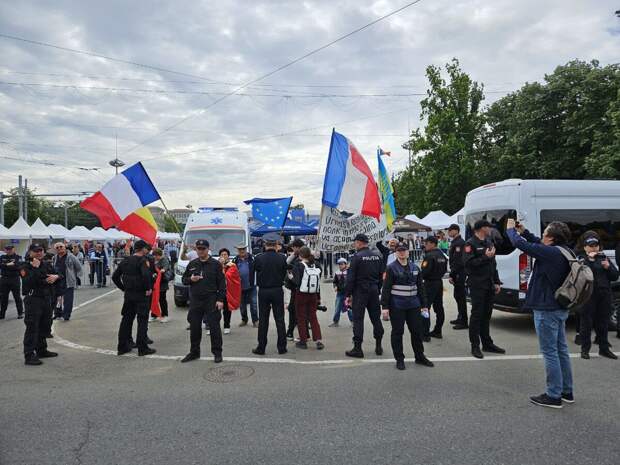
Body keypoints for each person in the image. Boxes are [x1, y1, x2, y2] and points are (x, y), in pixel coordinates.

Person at [506, 219, 575, 408]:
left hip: (546, 309)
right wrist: (524, 231)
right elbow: (536, 242)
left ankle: (553, 395)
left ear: (551, 238)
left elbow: (520, 244)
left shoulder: (550, 253)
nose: (542, 235)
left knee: (550, 352)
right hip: (559, 307)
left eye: (545, 233)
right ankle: (566, 391)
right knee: (561, 351)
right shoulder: (565, 250)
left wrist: (511, 230)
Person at [381, 242, 434, 370]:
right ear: (396, 253)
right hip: (397, 305)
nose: (402, 252)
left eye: (404, 250)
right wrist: (385, 308)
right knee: (398, 332)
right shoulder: (391, 268)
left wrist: (424, 305)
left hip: (414, 305)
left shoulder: (415, 268)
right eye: (399, 250)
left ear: (408, 252)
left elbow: (420, 288)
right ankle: (399, 359)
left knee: (417, 331)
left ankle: (419, 356)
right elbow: (386, 289)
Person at [464, 220, 505, 359]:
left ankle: (487, 343)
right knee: (477, 315)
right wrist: (484, 257)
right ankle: (475, 345)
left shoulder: (489, 242)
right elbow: (469, 264)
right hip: (477, 284)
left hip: (489, 284)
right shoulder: (470, 244)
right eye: (488, 227)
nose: (490, 229)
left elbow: (493, 264)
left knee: (487, 315)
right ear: (481, 228)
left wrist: (497, 281)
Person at [180, 240, 225, 363]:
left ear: (208, 249)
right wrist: (191, 279)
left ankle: (217, 353)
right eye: (198, 248)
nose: (200, 251)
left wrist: (220, 300)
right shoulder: (193, 263)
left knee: (214, 327)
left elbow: (222, 283)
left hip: (211, 299)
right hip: (195, 299)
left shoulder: (215, 264)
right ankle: (194, 352)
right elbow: (184, 279)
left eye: (203, 248)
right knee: (194, 327)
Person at [577, 233, 618, 360]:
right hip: (588, 295)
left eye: (596, 245)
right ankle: (585, 350)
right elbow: (583, 275)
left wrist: (607, 267)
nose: (594, 248)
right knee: (586, 324)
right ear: (585, 248)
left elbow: (615, 275)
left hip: (604, 294)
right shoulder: (582, 259)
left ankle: (604, 349)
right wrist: (591, 260)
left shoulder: (604, 257)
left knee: (603, 323)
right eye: (591, 246)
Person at [112, 240, 156, 357]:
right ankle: (142, 348)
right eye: (146, 248)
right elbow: (146, 275)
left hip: (129, 295)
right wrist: (148, 288)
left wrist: (123, 288)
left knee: (126, 320)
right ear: (143, 249)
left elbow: (115, 276)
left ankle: (122, 346)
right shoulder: (143, 260)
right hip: (141, 295)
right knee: (142, 320)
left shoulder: (125, 261)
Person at [345, 233, 385, 358]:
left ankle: (358, 348)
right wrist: (377, 289)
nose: (354, 244)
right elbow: (381, 276)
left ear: (359, 242)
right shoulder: (377, 256)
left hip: (360, 291)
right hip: (373, 290)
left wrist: (348, 294)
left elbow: (351, 278)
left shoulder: (357, 257)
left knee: (358, 320)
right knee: (376, 319)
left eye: (355, 242)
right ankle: (378, 345)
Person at [20, 243, 60, 365]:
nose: (39, 252)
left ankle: (42, 350)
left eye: (40, 250)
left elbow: (57, 276)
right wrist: (36, 269)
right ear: (30, 252)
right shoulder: (25, 265)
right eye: (36, 250)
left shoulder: (46, 264)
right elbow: (28, 282)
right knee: (32, 327)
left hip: (46, 299)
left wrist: (56, 276)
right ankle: (29, 355)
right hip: (33, 300)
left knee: (44, 326)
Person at [252, 233, 288, 355]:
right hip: (277, 290)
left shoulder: (258, 258)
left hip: (263, 291)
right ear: (276, 244)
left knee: (263, 320)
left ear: (265, 244)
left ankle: (261, 347)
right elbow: (285, 273)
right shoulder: (282, 257)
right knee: (280, 319)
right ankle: (282, 347)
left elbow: (254, 273)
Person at [291, 246, 324, 349]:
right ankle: (318, 340)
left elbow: (296, 281)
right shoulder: (317, 265)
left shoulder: (298, 265)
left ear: (300, 255)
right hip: (313, 294)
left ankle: (303, 341)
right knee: (313, 317)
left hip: (301, 294)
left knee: (301, 318)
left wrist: (291, 277)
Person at [420, 236, 448, 340]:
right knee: (439, 307)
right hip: (439, 282)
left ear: (432, 244)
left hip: (429, 283)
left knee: (425, 308)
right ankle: (438, 330)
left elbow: (424, 271)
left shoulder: (429, 256)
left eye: (426, 244)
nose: (425, 246)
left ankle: (425, 334)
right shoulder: (442, 255)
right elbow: (445, 269)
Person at [51, 242, 82, 321]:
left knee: (68, 300)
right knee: (57, 299)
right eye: (57, 248)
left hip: (68, 281)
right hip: (57, 281)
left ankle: (66, 315)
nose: (59, 248)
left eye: (61, 246)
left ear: (65, 247)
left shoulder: (71, 256)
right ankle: (57, 313)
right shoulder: (54, 257)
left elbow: (78, 267)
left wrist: (75, 276)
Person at [447, 224, 468, 330]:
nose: (448, 232)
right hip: (457, 272)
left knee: (460, 297)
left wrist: (452, 274)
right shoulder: (455, 242)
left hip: (460, 273)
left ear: (455, 230)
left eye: (450, 230)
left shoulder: (460, 243)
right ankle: (460, 317)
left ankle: (464, 321)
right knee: (457, 296)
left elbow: (458, 261)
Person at [233, 244, 258, 327]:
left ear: (246, 249)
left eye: (243, 249)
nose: (242, 251)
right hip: (239, 287)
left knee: (253, 304)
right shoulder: (235, 260)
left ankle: (255, 321)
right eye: (240, 249)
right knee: (242, 305)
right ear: (237, 250)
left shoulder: (253, 258)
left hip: (251, 285)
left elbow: (258, 269)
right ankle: (244, 320)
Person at [285, 238, 304, 341]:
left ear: (298, 247)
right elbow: (286, 262)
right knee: (295, 311)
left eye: (294, 247)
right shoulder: (297, 256)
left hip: (297, 288)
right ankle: (293, 332)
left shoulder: (301, 259)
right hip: (296, 289)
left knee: (294, 311)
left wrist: (290, 274)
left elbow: (286, 264)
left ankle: (291, 332)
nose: (292, 249)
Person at [218, 248, 241, 335]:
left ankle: (226, 326)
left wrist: (222, 267)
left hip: (228, 291)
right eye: (222, 255)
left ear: (228, 256)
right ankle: (214, 326)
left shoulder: (232, 265)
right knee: (216, 310)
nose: (224, 256)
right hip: (218, 290)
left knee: (227, 310)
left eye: (225, 254)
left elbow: (228, 276)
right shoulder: (216, 265)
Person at [0, 244, 23, 319]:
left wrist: (5, 265)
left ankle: (20, 313)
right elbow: (1, 266)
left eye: (10, 249)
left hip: (14, 279)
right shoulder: (2, 257)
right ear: (5, 250)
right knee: (3, 298)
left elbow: (18, 266)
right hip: (4, 279)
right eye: (7, 249)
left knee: (17, 297)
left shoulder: (18, 257)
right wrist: (8, 265)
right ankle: (2, 314)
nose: (9, 250)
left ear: (13, 249)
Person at [149, 248, 172, 323]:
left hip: (162, 283)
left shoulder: (164, 259)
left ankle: (165, 315)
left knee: (162, 299)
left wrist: (163, 270)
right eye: (154, 256)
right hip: (155, 283)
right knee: (154, 299)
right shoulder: (154, 260)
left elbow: (166, 267)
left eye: (156, 256)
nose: (155, 257)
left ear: (159, 255)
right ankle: (154, 315)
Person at [329, 257, 353, 327]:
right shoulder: (337, 272)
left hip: (347, 294)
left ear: (345, 264)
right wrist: (335, 286)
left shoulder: (349, 272)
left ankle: (353, 322)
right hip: (339, 293)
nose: (340, 265)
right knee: (337, 308)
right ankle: (336, 322)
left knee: (349, 308)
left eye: (342, 264)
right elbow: (335, 281)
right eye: (339, 264)